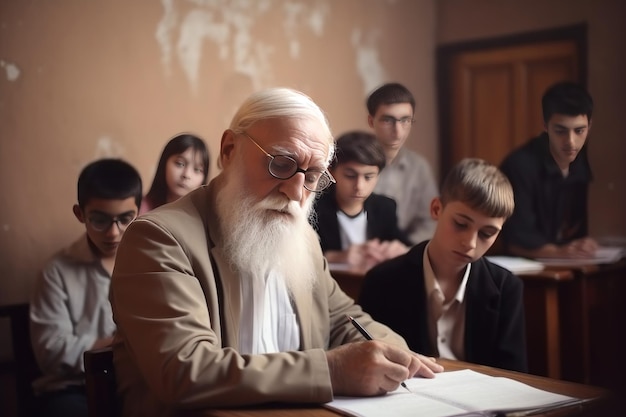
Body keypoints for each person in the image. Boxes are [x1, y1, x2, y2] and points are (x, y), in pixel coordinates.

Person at [109, 87, 443, 417]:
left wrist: (397, 354)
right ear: (229, 150)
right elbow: (185, 370)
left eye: (312, 174)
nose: (296, 192)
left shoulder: (302, 239)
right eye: (282, 164)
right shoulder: (159, 238)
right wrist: (333, 372)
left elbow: (345, 321)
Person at [359, 158, 527, 373]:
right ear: (437, 209)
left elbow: (512, 376)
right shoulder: (381, 281)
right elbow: (370, 361)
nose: (470, 243)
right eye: (460, 224)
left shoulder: (507, 288)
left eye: (487, 233)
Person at [29, 158, 142, 417]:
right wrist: (118, 344)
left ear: (138, 211)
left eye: (125, 219)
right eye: (100, 220)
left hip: (133, 384)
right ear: (80, 214)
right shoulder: (56, 272)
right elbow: (52, 351)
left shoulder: (147, 263)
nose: (114, 233)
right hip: (72, 390)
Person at [499, 81, 596, 259]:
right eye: (560, 131)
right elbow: (516, 240)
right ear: (545, 126)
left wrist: (582, 244)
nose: (571, 142)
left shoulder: (583, 162)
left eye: (579, 131)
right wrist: (559, 252)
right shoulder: (519, 165)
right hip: (526, 269)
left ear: (589, 126)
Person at [313, 130, 411, 269]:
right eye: (350, 176)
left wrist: (400, 250)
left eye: (368, 177)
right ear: (331, 171)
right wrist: (338, 256)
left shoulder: (385, 207)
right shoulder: (314, 208)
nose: (359, 186)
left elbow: (405, 245)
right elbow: (297, 256)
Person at [367, 82, 439, 246]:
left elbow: (430, 220)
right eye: (388, 120)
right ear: (371, 121)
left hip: (405, 252)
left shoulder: (419, 167)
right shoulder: (353, 164)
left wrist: (405, 248)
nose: (398, 131)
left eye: (405, 120)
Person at [139, 133, 210, 214]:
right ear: (164, 163)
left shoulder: (203, 223)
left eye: (197, 170)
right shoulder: (140, 210)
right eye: (180, 164)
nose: (186, 175)